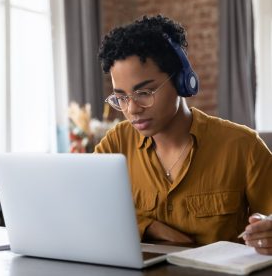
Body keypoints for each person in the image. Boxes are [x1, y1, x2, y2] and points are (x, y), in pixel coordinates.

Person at [95, 15, 272, 255]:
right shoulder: (116, 144)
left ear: (181, 81)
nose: (131, 109)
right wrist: (150, 227)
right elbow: (88, 209)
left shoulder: (243, 146)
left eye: (144, 92)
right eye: (121, 97)